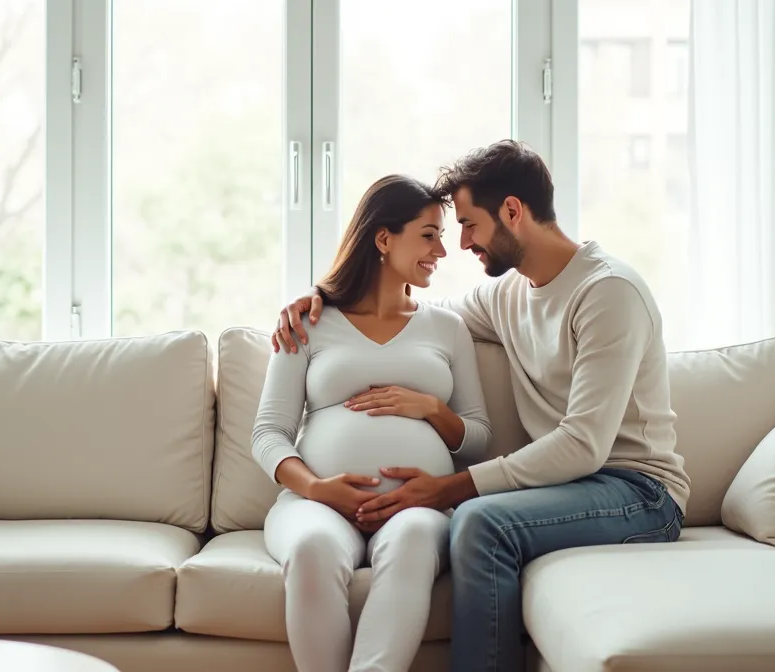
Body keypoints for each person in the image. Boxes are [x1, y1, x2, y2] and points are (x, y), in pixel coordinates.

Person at [271, 140, 691, 672]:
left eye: (469, 225)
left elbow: (584, 446)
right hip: (570, 487)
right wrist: (319, 296)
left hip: (636, 490)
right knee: (473, 519)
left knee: (480, 523)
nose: (461, 244)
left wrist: (447, 488)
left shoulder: (607, 292)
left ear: (512, 212)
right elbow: (407, 319)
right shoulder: (509, 294)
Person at [251, 174, 492, 672]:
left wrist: (431, 408)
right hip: (315, 505)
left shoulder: (447, 328)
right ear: (384, 238)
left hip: (417, 507)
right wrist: (319, 489)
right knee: (314, 547)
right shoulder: (309, 322)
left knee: (411, 544)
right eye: (428, 235)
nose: (442, 252)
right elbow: (268, 433)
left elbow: (478, 437)